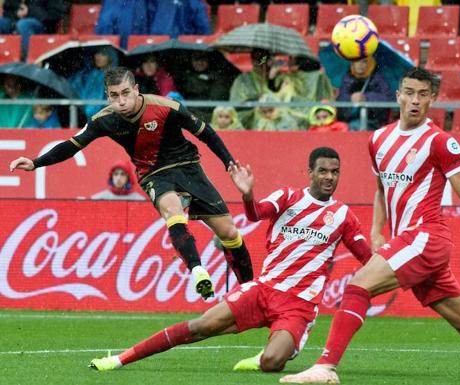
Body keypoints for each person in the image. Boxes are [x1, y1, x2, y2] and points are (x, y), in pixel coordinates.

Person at [280, 67, 460, 385]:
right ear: (398, 96)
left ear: (432, 99)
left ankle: (325, 367)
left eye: (423, 94)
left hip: (427, 236)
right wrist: (376, 231)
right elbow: (382, 188)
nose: (414, 100)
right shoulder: (378, 140)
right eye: (409, 92)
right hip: (408, 241)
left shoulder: (439, 141)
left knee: (357, 287)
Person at [88, 147, 373, 373]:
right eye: (322, 171)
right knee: (199, 327)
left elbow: (368, 260)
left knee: (273, 363)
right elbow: (254, 214)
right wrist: (247, 194)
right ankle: (120, 360)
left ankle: (275, 350)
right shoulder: (289, 197)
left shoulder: (344, 216)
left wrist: (391, 261)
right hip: (263, 290)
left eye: (335, 172)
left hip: (298, 306)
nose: (329, 177)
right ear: (309, 172)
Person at [9, 67, 253, 300]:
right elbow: (72, 146)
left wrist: (229, 163)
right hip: (154, 173)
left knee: (229, 232)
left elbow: (206, 132)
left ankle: (249, 291)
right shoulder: (103, 120)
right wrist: (35, 163)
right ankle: (197, 269)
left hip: (188, 166)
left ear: (136, 89)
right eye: (114, 96)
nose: (121, 101)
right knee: (172, 210)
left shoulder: (165, 107)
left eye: (126, 93)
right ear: (107, 96)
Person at [176, 51, 238, 123]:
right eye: (196, 59)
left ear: (209, 60)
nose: (200, 62)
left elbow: (216, 101)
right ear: (191, 60)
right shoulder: (184, 76)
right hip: (193, 117)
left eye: (203, 59)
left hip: (213, 118)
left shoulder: (220, 77)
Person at [336, 56, 393, 131]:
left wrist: (367, 97)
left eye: (364, 61)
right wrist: (351, 98)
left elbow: (388, 98)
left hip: (374, 121)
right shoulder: (347, 78)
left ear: (370, 63)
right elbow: (340, 99)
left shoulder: (379, 79)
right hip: (349, 120)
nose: (360, 65)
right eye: (357, 61)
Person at [0, 0, 66, 60]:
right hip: (15, 20)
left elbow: (53, 15)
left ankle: (28, 61)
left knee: (23, 25)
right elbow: (7, 8)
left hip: (43, 26)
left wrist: (29, 11)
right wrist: (16, 12)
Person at [70, 46, 119, 120]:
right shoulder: (92, 75)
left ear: (111, 57)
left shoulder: (118, 76)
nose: (98, 57)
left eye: (103, 54)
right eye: (97, 53)